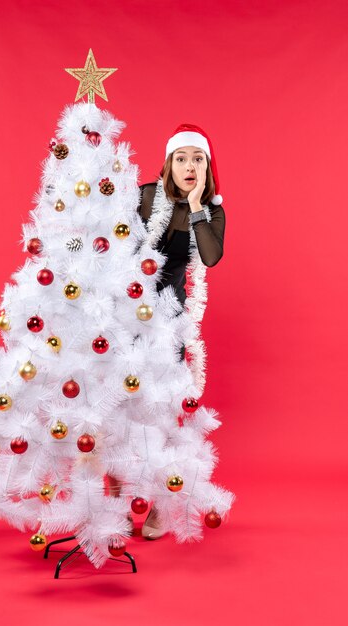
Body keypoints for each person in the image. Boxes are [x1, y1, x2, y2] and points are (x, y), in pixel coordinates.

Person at [108, 123, 226, 539]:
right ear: (169, 163)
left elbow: (209, 257)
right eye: (181, 158)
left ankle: (156, 504)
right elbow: (113, 242)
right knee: (118, 410)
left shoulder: (212, 211)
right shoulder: (144, 197)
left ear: (207, 166)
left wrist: (196, 205)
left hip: (171, 323)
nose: (189, 166)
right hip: (127, 315)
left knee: (162, 413)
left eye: (198, 158)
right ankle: (116, 503)